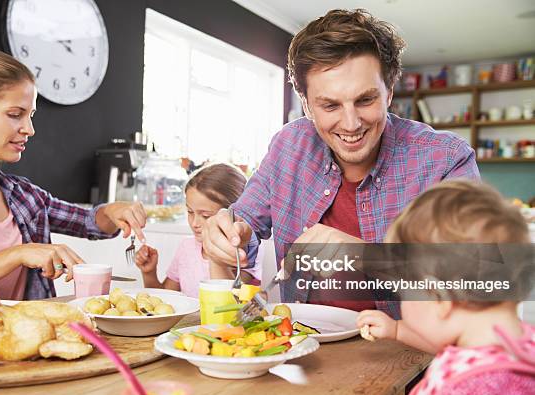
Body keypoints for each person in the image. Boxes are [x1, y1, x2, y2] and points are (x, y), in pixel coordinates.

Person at [201, 9, 479, 314]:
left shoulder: (445, 158)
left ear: (388, 93)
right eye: (330, 105)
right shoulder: (288, 146)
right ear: (306, 104)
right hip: (301, 345)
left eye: (365, 100)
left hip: (412, 353)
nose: (350, 123)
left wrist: (363, 256)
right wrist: (226, 236)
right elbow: (244, 224)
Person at [0, 48, 146, 306]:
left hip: (25, 343)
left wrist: (112, 211)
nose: (29, 129)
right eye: (15, 114)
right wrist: (17, 254)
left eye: (30, 116)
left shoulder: (23, 195)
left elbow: (87, 221)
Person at [357, 180, 535, 395]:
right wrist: (397, 330)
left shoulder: (467, 391)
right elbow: (451, 347)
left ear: (438, 296)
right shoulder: (519, 345)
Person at [135, 163, 263, 298]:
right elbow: (165, 299)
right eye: (190, 212)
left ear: (232, 215)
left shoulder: (245, 250)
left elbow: (233, 303)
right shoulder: (186, 248)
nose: (195, 223)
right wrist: (149, 273)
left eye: (206, 216)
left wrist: (215, 256)